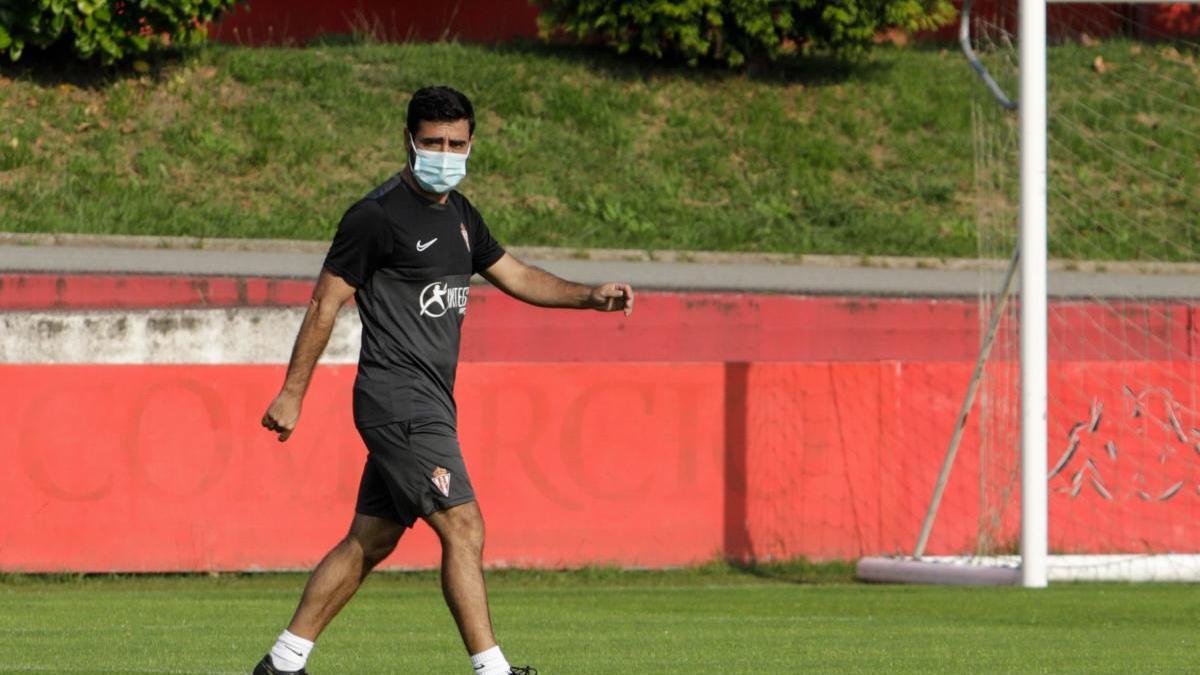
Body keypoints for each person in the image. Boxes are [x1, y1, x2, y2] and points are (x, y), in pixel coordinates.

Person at [252, 85, 634, 675]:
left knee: (370, 541)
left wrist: (588, 297)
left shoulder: (459, 214)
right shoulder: (375, 216)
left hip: (429, 402)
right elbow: (325, 304)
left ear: (471, 144)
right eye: (433, 142)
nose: (445, 153)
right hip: (398, 401)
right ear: (408, 141)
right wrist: (293, 393)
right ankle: (492, 671)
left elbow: (517, 275)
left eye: (457, 143)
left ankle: (283, 662)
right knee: (464, 523)